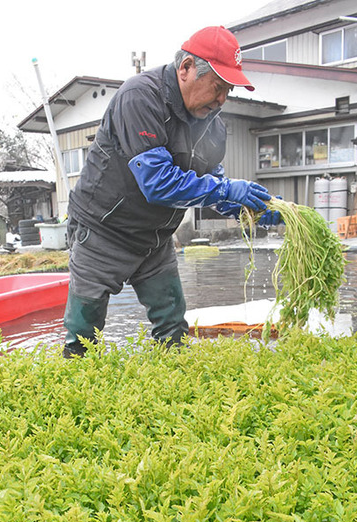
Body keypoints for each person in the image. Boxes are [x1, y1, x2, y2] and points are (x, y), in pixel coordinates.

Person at [63, 25, 281, 357]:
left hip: (154, 239)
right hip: (102, 232)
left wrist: (252, 210)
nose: (222, 99)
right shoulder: (140, 98)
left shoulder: (212, 124)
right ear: (186, 68)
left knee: (172, 331)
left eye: (229, 90)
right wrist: (225, 191)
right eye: (218, 86)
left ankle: (173, 394)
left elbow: (211, 184)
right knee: (83, 338)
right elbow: (158, 183)